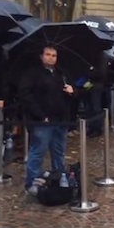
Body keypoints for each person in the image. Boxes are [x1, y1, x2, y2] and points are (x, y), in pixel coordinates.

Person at [19, 45, 74, 195]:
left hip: (60, 120)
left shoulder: (61, 73)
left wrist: (71, 91)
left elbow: (68, 94)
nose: (51, 57)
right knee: (38, 151)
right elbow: (25, 95)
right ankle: (32, 181)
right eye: (48, 54)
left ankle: (58, 176)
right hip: (42, 121)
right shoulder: (32, 74)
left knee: (59, 151)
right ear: (41, 56)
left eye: (54, 55)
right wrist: (40, 114)